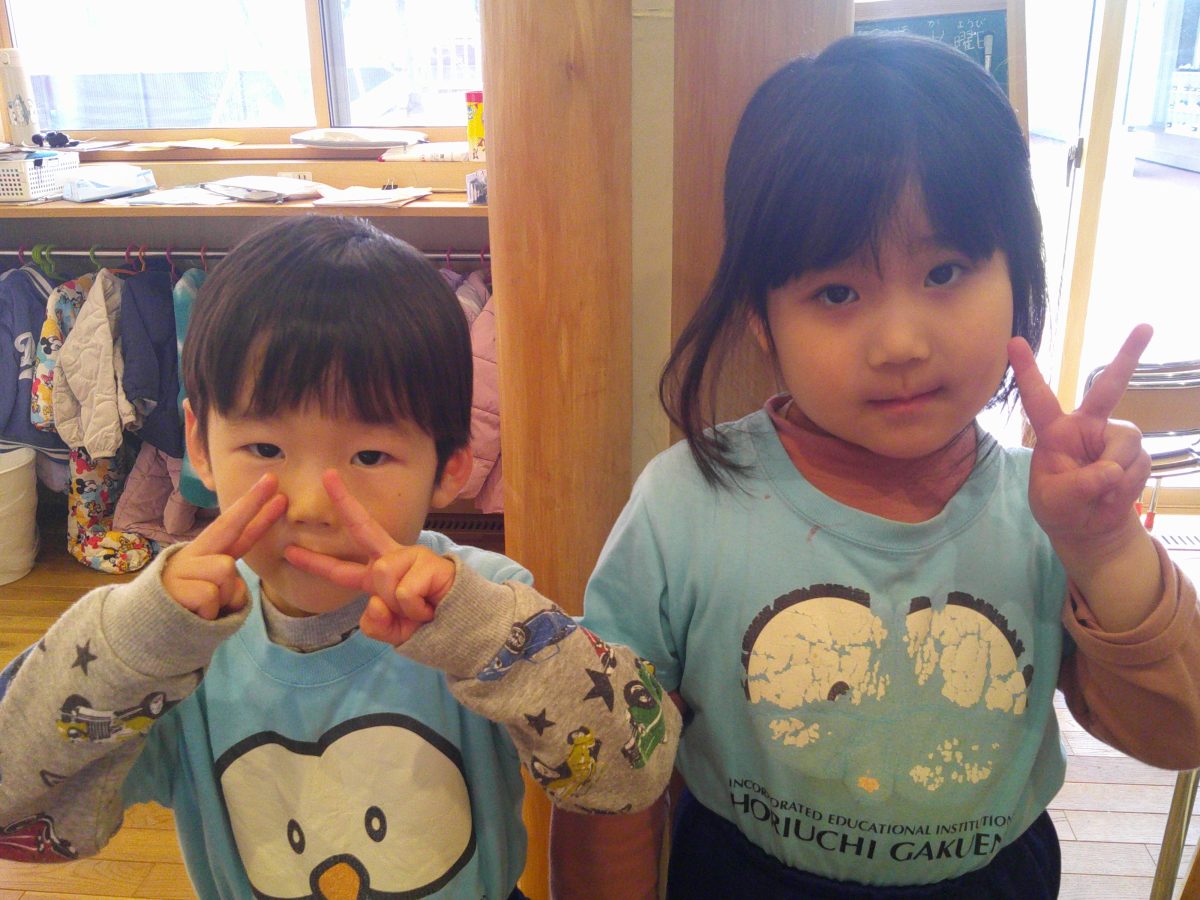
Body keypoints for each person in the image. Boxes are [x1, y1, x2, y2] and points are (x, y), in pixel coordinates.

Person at [550, 33, 1200, 899]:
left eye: (945, 271)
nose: (899, 343)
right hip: (744, 877)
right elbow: (611, 775)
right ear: (761, 316)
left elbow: (1178, 733)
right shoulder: (683, 507)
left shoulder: (1048, 515)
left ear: (1018, 273)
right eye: (837, 292)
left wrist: (1107, 550)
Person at [0, 215, 680, 899]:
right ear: (199, 445)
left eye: (370, 455)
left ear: (450, 465)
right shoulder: (171, 644)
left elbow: (631, 774)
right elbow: (19, 811)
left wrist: (484, 634)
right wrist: (130, 643)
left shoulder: (483, 607)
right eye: (266, 448)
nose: (311, 505)